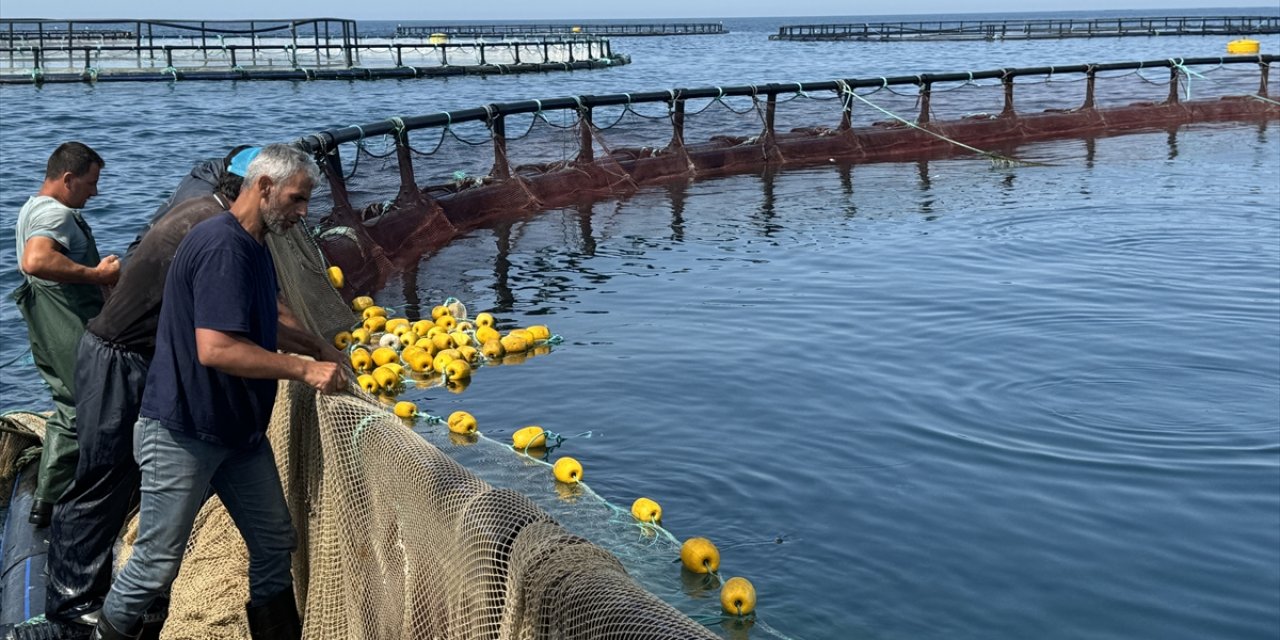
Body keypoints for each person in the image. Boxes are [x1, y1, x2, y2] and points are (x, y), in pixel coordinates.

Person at [92, 144, 345, 640]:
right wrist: (304, 369)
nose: (303, 213)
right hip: (184, 430)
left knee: (275, 541)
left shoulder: (253, 243)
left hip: (238, 435)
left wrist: (315, 344)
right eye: (296, 199)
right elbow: (217, 348)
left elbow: (261, 319)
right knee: (155, 566)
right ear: (264, 187)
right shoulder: (221, 246)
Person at [12, 142, 120, 528]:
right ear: (68, 178)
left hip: (46, 323)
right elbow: (36, 260)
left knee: (70, 399)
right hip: (65, 325)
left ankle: (53, 493)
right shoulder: (55, 213)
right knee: (80, 406)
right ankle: (51, 499)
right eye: (91, 183)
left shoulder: (30, 208)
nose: (96, 192)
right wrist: (98, 275)